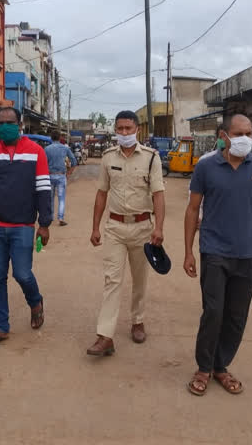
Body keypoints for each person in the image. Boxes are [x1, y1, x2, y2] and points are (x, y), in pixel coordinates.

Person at [183, 114, 252, 396]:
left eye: (249, 133)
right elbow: (191, 209)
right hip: (214, 251)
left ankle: (221, 367)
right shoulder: (207, 166)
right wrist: (188, 251)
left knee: (237, 315)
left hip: (247, 254)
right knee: (213, 311)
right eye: (238, 133)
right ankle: (203, 367)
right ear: (224, 135)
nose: (245, 139)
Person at [87, 110, 165, 356]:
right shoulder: (108, 157)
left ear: (137, 130)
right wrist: (95, 227)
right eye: (119, 129)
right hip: (115, 228)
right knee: (112, 280)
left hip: (143, 228)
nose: (123, 133)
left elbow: (158, 195)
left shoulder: (152, 158)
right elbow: (101, 193)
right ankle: (105, 335)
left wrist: (159, 228)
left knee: (140, 279)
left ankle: (137, 320)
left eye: (128, 129)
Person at [0, 107, 52, 349]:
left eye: (10, 122)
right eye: (0, 122)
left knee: (22, 274)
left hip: (23, 227)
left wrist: (45, 224)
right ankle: (2, 327)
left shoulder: (36, 152)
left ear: (20, 124)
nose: (4, 126)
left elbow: (43, 190)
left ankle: (35, 301)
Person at [45, 130, 77, 226]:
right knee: (61, 198)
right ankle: (61, 218)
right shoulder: (64, 148)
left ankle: (50, 217)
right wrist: (69, 172)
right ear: (60, 138)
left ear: (51, 138)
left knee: (50, 198)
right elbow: (74, 161)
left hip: (49, 176)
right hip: (61, 175)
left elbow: (42, 163)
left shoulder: (46, 149)